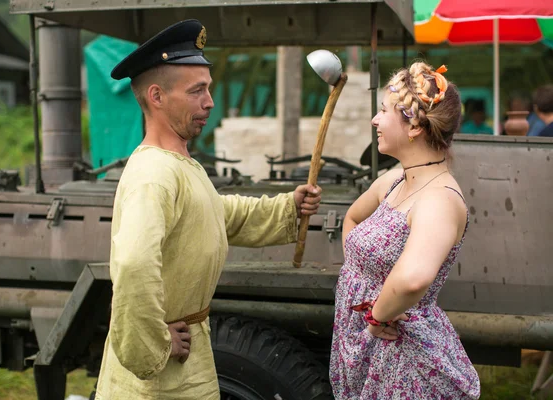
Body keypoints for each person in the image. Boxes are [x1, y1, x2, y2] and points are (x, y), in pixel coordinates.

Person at [93, 20, 322, 400]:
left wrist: (287, 208)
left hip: (184, 362)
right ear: (157, 96)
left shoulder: (178, 162)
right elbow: (133, 264)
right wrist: (154, 342)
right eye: (197, 91)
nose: (209, 102)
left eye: (208, 89)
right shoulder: (154, 174)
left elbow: (213, 213)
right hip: (158, 381)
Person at [330, 62, 480, 399]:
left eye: (383, 111)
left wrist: (376, 315)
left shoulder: (439, 200)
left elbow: (413, 279)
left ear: (413, 127)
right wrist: (358, 273)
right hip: (366, 347)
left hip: (404, 360)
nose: (375, 120)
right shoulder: (394, 180)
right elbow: (352, 219)